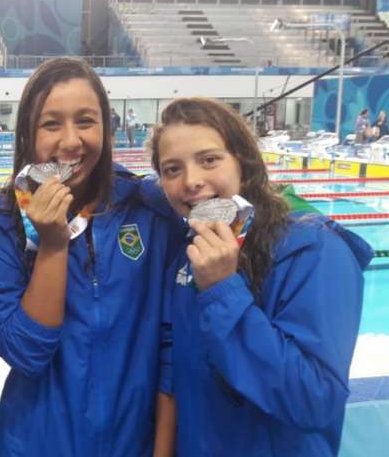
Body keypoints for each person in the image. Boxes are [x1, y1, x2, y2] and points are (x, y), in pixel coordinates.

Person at [0, 57, 181, 456]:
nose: (70, 141)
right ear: (28, 134)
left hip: (131, 443)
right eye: (51, 124)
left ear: (106, 127)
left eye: (85, 121)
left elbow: (172, 343)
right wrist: (52, 244)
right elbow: (25, 352)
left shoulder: (149, 209)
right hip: (32, 444)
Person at [150, 97, 373, 456]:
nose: (191, 181)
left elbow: (313, 400)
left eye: (209, 160)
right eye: (172, 169)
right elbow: (176, 366)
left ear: (243, 162)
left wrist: (223, 289)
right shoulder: (190, 252)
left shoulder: (316, 251)